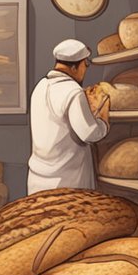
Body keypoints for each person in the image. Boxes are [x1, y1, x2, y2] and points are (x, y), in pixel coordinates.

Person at [27, 38, 110, 193]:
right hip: (67, 182)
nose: (86, 69)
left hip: (37, 180)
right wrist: (102, 118)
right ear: (74, 67)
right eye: (86, 64)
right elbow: (90, 134)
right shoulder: (73, 92)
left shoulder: (40, 87)